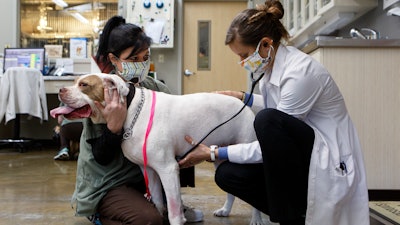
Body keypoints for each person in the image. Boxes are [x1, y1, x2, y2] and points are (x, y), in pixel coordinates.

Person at [178, 1, 370, 225]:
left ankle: (290, 217)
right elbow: (280, 109)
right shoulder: (271, 68)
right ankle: (296, 213)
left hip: (327, 160)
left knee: (266, 121)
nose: (242, 63)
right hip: (304, 157)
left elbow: (271, 135)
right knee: (227, 174)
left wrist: (214, 153)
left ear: (266, 44)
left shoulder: (300, 73)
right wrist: (242, 96)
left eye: (244, 55)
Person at [71, 16, 202, 225]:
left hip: (146, 178)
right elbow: (100, 157)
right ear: (114, 60)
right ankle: (99, 211)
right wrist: (114, 127)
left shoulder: (157, 89)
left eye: (145, 57)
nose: (141, 65)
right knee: (149, 221)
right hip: (111, 182)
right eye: (133, 60)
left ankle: (166, 204)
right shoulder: (101, 91)